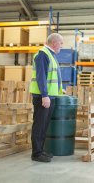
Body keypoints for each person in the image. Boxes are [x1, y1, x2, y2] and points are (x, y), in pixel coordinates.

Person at [29, 33, 64, 162]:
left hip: (50, 96)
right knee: (39, 125)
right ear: (54, 42)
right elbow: (41, 77)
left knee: (44, 125)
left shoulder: (51, 55)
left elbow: (52, 77)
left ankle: (40, 150)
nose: (62, 46)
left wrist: (59, 89)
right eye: (61, 43)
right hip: (43, 97)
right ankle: (36, 153)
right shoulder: (43, 54)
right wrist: (44, 95)